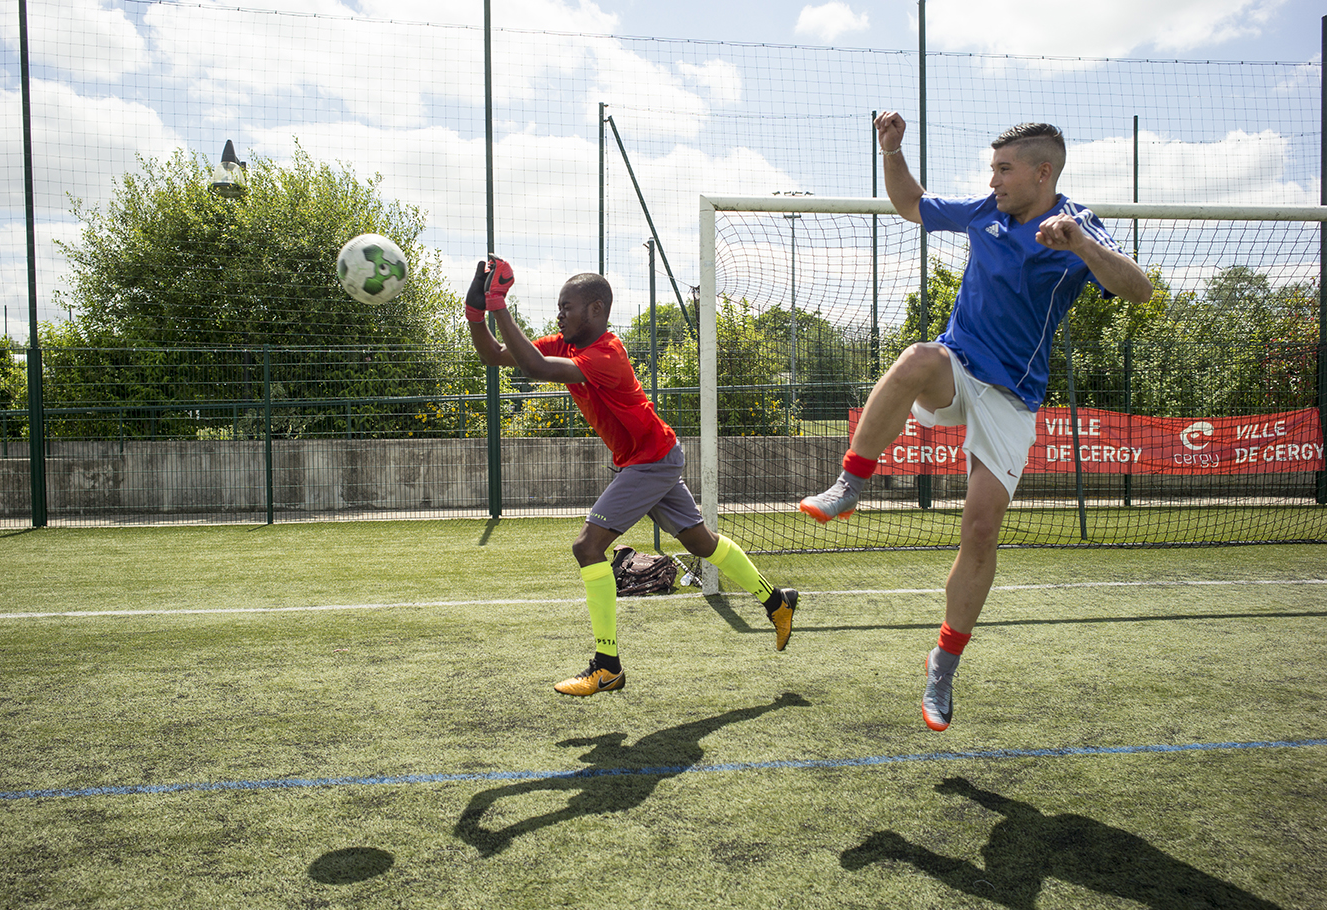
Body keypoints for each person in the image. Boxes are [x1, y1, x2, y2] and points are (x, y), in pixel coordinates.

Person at [800, 113, 1152, 731]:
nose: (993, 180)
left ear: (1043, 173)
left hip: (1013, 398)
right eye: (992, 168)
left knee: (981, 527)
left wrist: (1081, 243)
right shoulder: (983, 211)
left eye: (1004, 169)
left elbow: (1140, 290)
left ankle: (944, 664)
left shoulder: (1076, 221)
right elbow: (910, 204)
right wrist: (892, 149)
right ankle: (850, 485)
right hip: (956, 368)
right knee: (917, 358)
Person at [466, 256, 800, 696]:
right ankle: (778, 602)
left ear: (596, 310)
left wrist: (500, 305)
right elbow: (496, 355)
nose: (559, 314)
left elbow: (536, 369)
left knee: (588, 547)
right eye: (559, 307)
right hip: (652, 458)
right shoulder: (565, 344)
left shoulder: (607, 354)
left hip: (650, 462)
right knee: (701, 544)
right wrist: (477, 305)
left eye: (567, 307)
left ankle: (608, 667)